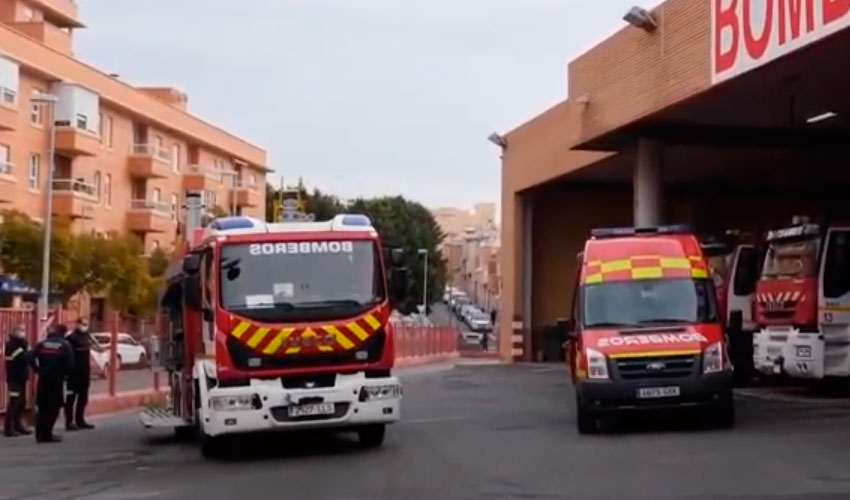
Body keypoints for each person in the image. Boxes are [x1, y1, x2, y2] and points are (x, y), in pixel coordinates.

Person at [30, 324, 73, 443]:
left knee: (43, 407)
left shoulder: (42, 344)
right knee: (53, 408)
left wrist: (37, 370)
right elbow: (69, 364)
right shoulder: (65, 346)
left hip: (43, 379)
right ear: (63, 333)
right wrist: (64, 374)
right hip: (56, 380)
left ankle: (39, 435)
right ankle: (47, 434)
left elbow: (30, 357)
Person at [64, 318, 94, 431]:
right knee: (71, 397)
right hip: (73, 372)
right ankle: (69, 422)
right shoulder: (71, 338)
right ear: (77, 324)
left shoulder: (87, 336)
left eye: (86, 324)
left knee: (83, 397)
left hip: (85, 371)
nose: (84, 326)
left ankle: (80, 420)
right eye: (82, 324)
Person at [4, 324, 32, 437]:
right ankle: (8, 428)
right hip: (14, 378)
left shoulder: (22, 343)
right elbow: (24, 357)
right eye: (20, 330)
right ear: (14, 331)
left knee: (21, 403)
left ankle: (18, 425)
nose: (22, 332)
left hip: (22, 377)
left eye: (23, 330)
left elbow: (28, 356)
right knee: (14, 403)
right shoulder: (11, 345)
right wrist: (29, 352)